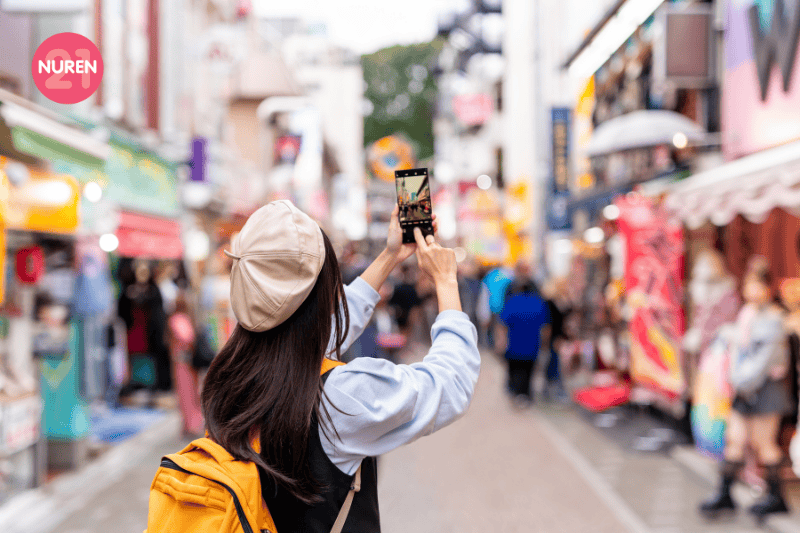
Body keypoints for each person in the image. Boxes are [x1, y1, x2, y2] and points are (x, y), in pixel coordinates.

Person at [201, 200, 479, 532]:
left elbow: (314, 330)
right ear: (323, 290)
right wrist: (447, 281)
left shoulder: (231, 373)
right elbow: (451, 382)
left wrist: (390, 256)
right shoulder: (341, 396)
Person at [700, 258, 792, 519]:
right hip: (743, 388)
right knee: (735, 441)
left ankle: (777, 497)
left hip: (765, 390)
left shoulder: (774, 318)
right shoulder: (747, 314)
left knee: (765, 444)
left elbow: (763, 361)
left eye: (758, 285)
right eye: (749, 284)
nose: (752, 290)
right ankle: (725, 494)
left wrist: (738, 381)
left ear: (768, 288)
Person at [498, 262, 550, 407]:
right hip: (532, 346)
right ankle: (525, 395)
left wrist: (501, 343)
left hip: (514, 345)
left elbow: (503, 324)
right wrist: (545, 345)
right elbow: (545, 327)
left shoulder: (513, 301)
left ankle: (516, 394)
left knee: (515, 371)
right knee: (528, 372)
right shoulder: (539, 304)